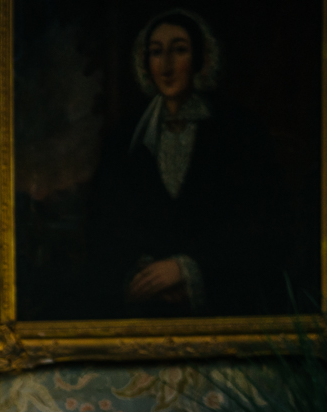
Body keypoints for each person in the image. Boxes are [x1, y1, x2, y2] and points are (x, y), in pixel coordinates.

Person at [86, 8, 283, 317]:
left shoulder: (239, 131)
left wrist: (187, 270)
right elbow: (103, 224)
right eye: (156, 52)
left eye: (179, 50)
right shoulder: (124, 138)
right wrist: (140, 275)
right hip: (143, 311)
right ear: (144, 62)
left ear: (200, 59)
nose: (166, 66)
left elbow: (260, 224)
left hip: (222, 309)